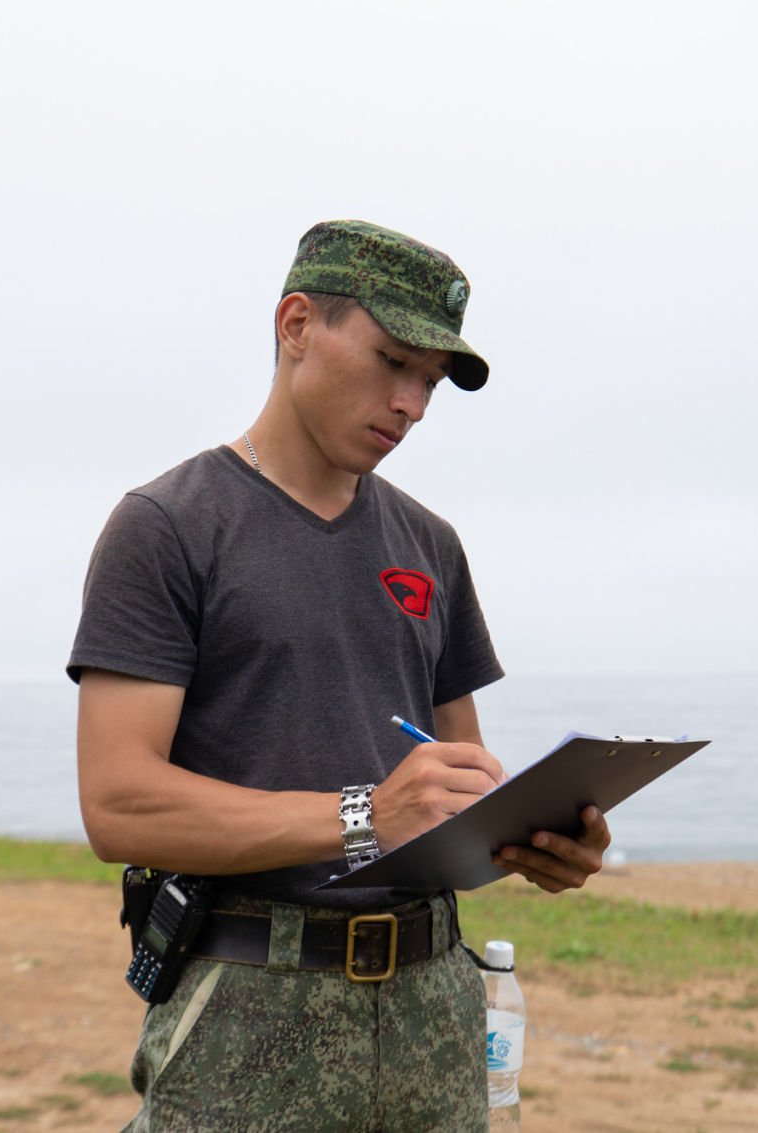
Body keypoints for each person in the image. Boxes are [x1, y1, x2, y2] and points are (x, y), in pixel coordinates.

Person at [69, 219, 611, 1131]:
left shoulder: (431, 544)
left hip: (435, 1011)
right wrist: (365, 815)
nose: (411, 404)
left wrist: (531, 840)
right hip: (247, 1010)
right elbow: (118, 804)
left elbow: (451, 791)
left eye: (429, 381)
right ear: (296, 325)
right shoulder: (168, 526)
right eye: (392, 360)